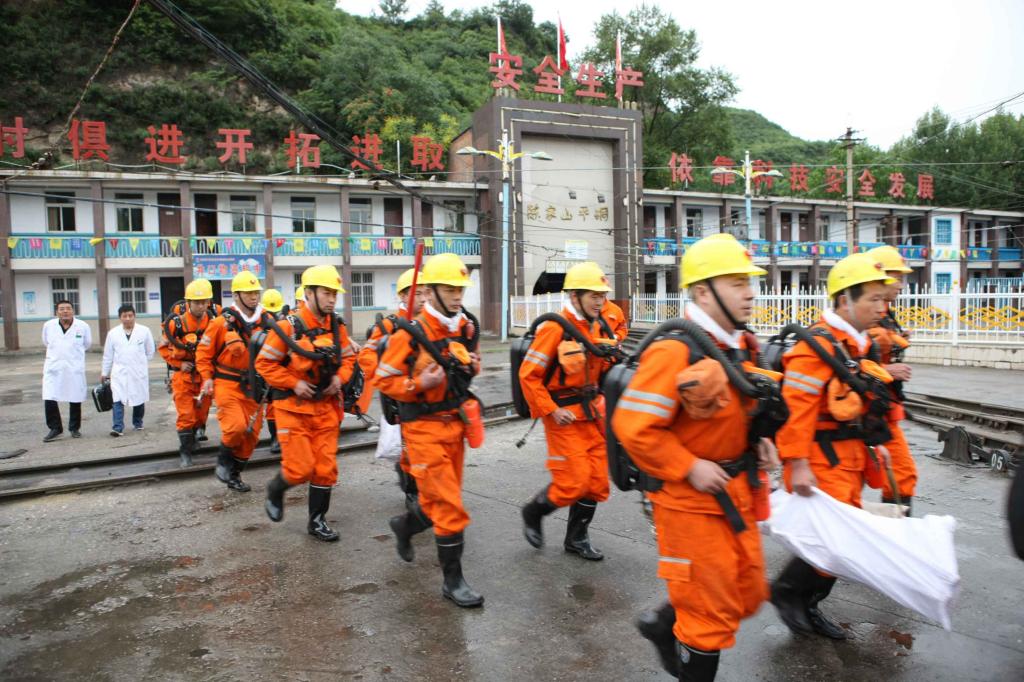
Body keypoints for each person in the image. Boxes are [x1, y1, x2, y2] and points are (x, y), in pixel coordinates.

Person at [613, 234, 778, 681]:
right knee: (709, 615)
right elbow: (633, 427)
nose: (750, 293)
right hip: (690, 503)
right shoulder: (675, 351)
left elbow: (735, 412)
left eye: (749, 282)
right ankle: (686, 636)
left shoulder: (737, 346)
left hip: (735, 492)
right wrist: (688, 465)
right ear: (703, 292)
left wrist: (758, 442)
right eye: (737, 283)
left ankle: (664, 623)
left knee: (748, 590)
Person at [770, 252, 895, 640]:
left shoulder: (856, 345)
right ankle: (789, 592)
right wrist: (797, 462)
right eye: (873, 299)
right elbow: (795, 410)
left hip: (849, 457)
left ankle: (806, 601)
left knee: (837, 541)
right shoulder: (816, 347)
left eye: (884, 299)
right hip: (821, 460)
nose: (882, 307)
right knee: (835, 542)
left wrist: (875, 444)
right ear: (844, 300)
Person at [376, 253, 484, 608]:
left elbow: (471, 364)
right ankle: (454, 582)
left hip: (456, 426)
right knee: (450, 506)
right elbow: (384, 379)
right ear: (432, 291)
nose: (457, 295)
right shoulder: (410, 333)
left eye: (460, 289)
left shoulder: (465, 327)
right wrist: (417, 383)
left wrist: (472, 366)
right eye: (450, 289)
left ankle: (405, 526)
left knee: (435, 500)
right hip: (422, 430)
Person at [518, 261, 619, 561]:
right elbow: (529, 375)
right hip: (563, 416)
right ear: (575, 296)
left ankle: (576, 538)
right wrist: (551, 410)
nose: (600, 301)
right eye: (593, 296)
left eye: (602, 295)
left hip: (592, 414)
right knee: (573, 481)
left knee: (596, 481)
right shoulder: (554, 329)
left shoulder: (598, 326)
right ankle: (533, 511)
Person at [259, 266, 356, 541]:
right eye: (327, 293)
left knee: (325, 468)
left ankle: (317, 521)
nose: (332, 299)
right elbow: (264, 364)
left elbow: (349, 359)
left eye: (334, 294)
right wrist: (294, 383)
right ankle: (276, 489)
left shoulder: (337, 327)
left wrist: (340, 378)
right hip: (293, 409)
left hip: (325, 407)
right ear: (309, 293)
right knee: (300, 468)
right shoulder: (288, 327)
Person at [357, 268, 425, 507]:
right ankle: (412, 492)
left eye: (426, 293)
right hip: (399, 397)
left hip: (427, 395)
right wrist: (390, 372)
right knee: (408, 447)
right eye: (417, 293)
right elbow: (366, 356)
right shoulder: (389, 325)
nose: (423, 298)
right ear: (403, 296)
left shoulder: (432, 323)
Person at [196, 270, 265, 492]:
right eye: (248, 292)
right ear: (236, 295)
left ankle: (235, 474)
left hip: (255, 386)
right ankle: (223, 461)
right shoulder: (220, 323)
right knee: (236, 427)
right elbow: (203, 353)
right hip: (227, 383)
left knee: (252, 435)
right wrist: (207, 378)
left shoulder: (267, 321)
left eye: (256, 292)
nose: (253, 297)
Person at [865, 245, 917, 513]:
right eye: (897, 277)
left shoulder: (885, 315)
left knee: (899, 473)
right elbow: (851, 360)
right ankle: (898, 527)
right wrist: (887, 369)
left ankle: (896, 523)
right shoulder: (869, 316)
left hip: (882, 405)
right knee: (901, 473)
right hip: (872, 407)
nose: (901, 284)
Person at [158, 279, 215, 466]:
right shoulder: (176, 324)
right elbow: (163, 348)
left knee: (202, 411)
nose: (201, 306)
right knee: (186, 414)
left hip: (205, 375)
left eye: (204, 302)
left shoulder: (213, 323)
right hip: (183, 376)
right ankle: (185, 452)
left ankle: (196, 435)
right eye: (197, 302)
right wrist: (179, 363)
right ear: (188, 302)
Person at [101, 304, 156, 436]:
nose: (128, 318)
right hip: (119, 373)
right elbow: (108, 355)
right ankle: (117, 427)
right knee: (117, 399)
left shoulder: (144, 331)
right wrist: (104, 372)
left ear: (134, 316)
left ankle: (138, 422)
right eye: (124, 316)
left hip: (138, 372)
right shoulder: (113, 333)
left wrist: (139, 362)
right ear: (120, 318)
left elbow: (150, 351)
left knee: (139, 398)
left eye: (130, 315)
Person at [41, 299, 92, 442]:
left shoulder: (83, 326)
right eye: (62, 309)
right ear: (57, 312)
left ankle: (74, 428)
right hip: (54, 367)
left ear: (73, 311)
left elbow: (87, 344)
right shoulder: (48, 326)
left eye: (68, 308)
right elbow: (46, 342)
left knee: (75, 397)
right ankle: (55, 428)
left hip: (73, 367)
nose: (65, 311)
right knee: (50, 396)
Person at [260, 288, 285, 455]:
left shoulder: (287, 323)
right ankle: (275, 439)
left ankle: (280, 439)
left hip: (281, 368)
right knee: (271, 405)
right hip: (266, 369)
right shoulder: (259, 323)